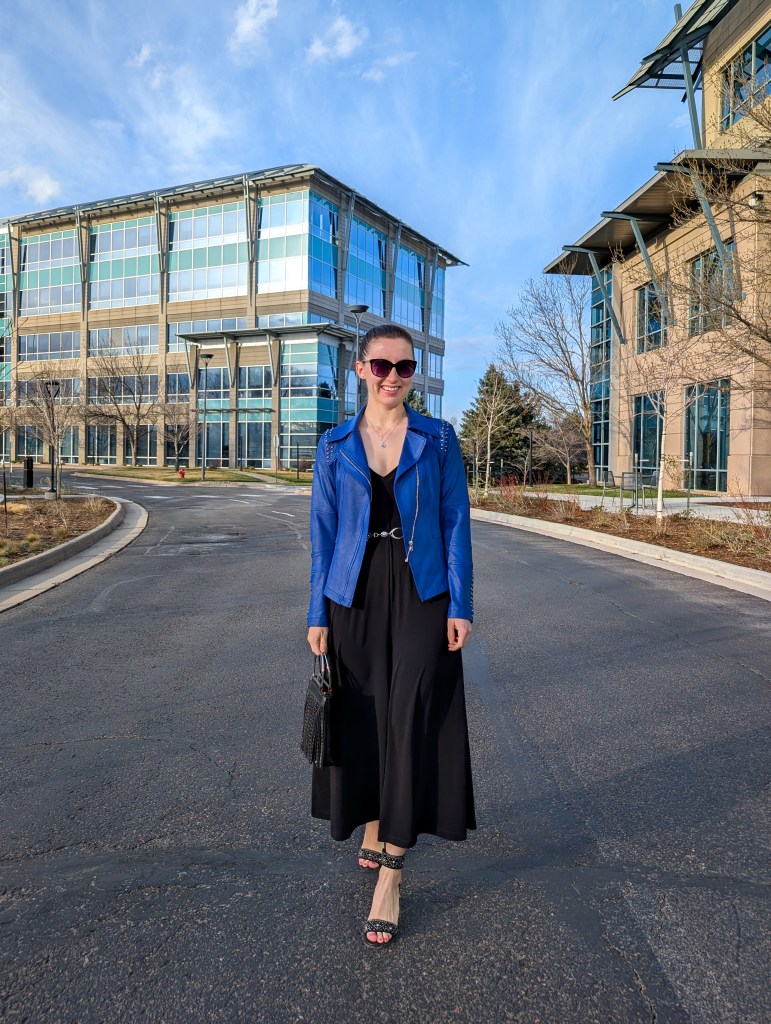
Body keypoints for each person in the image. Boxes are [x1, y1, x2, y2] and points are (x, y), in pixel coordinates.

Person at [307, 323, 476, 946]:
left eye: (404, 367)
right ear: (360, 370)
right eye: (381, 366)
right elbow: (323, 538)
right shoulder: (335, 445)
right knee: (366, 715)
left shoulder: (438, 439)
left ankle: (393, 874)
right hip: (352, 592)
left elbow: (456, 523)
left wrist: (462, 603)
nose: (394, 377)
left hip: (421, 590)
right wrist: (316, 614)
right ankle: (375, 827)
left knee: (409, 715)